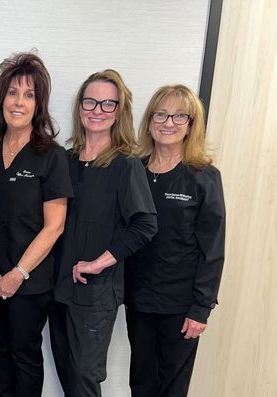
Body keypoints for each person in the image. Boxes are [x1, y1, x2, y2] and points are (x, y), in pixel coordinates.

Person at [48, 69, 158, 397]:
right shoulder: (64, 161)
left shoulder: (126, 165)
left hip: (95, 293)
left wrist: (99, 263)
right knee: (67, 374)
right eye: (90, 102)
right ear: (79, 107)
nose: (97, 110)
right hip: (59, 289)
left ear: (119, 111)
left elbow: (146, 224)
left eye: (108, 104)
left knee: (84, 379)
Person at [125, 85, 226, 397]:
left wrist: (201, 308)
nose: (168, 123)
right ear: (150, 119)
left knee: (172, 386)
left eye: (179, 116)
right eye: (161, 114)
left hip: (181, 305)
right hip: (139, 298)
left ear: (191, 124)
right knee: (141, 381)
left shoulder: (203, 176)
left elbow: (213, 249)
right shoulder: (134, 170)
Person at [0, 52, 73, 397]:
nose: (19, 102)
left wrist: (18, 273)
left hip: (29, 282)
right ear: (1, 99)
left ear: (39, 105)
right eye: (13, 93)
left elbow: (55, 226)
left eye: (29, 94)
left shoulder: (50, 155)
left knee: (24, 356)